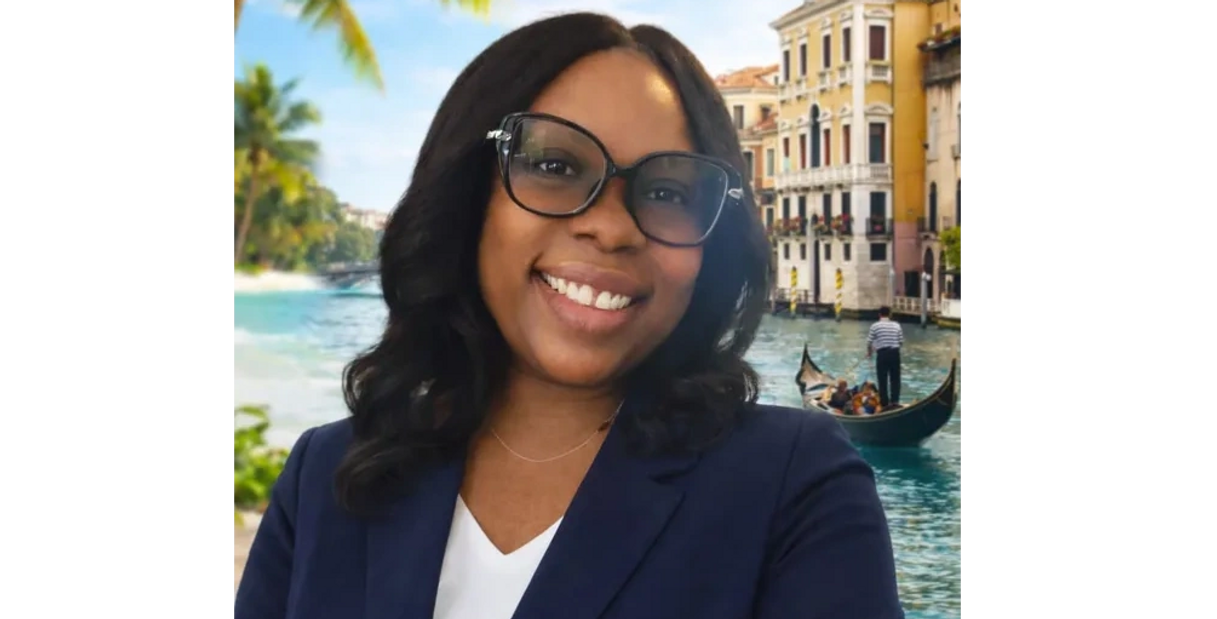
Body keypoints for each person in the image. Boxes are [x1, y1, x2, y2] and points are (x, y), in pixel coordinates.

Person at [234, 13, 903, 619]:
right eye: (554, 164)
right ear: (469, 194)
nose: (611, 229)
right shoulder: (327, 472)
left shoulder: (793, 485)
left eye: (668, 190)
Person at [866, 305, 904, 408]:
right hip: (894, 353)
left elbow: (869, 342)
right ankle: (894, 402)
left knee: (882, 379)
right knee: (895, 379)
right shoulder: (897, 325)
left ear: (879, 314)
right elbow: (900, 342)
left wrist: (870, 352)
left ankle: (884, 404)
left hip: (882, 354)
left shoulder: (875, 326)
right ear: (890, 314)